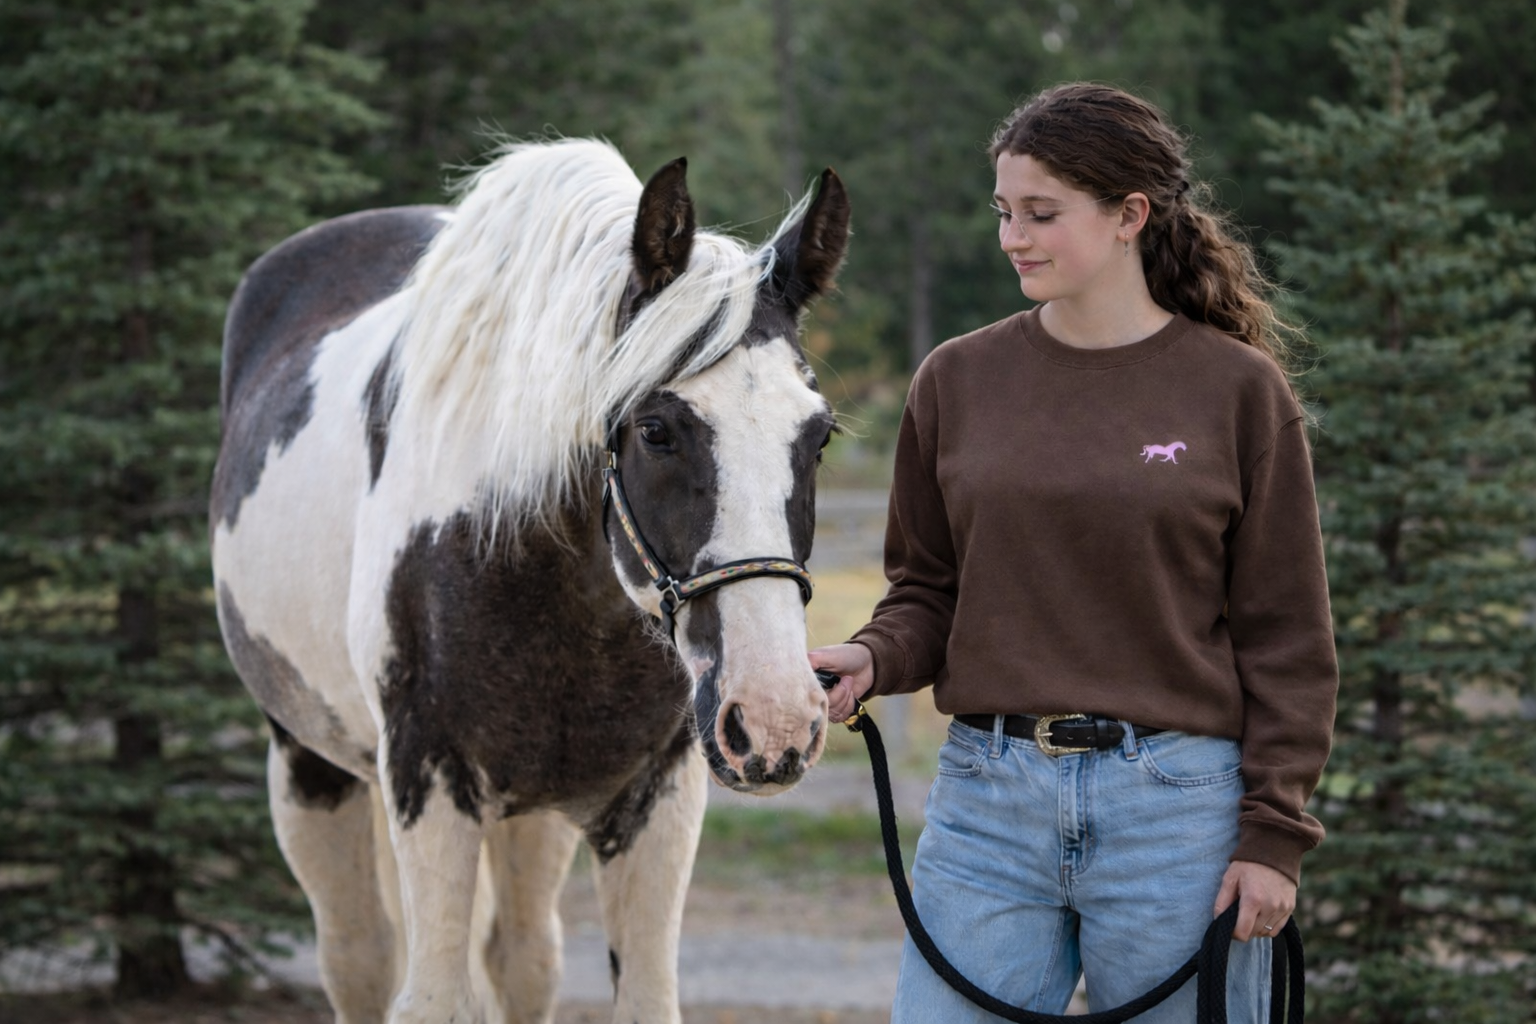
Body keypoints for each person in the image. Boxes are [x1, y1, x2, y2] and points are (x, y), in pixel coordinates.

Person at [809, 83, 1338, 1023]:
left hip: (1177, 815)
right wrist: (872, 655)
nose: (1015, 236)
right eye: (1005, 212)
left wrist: (1273, 838)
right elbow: (928, 590)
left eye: (1042, 214)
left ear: (1130, 214)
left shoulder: (1238, 393)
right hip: (986, 805)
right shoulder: (956, 381)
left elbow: (1287, 637)